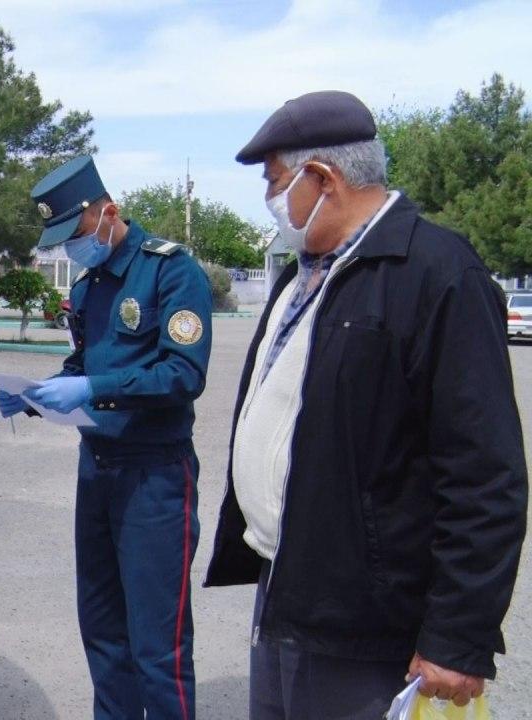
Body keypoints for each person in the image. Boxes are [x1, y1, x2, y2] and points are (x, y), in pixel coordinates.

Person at [205, 90, 528, 719]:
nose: (270, 199)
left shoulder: (436, 273)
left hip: (368, 621)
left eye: (275, 181)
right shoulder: (305, 274)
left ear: (323, 178)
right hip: (288, 586)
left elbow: (485, 474)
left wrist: (457, 637)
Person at [0, 155, 212, 719]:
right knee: (103, 634)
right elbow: (83, 365)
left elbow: (183, 374)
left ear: (109, 212)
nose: (73, 248)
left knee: (157, 648)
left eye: (77, 233)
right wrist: (35, 395)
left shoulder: (171, 271)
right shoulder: (89, 287)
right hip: (97, 471)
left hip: (155, 478)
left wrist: (95, 388)